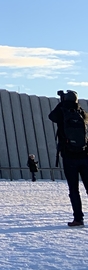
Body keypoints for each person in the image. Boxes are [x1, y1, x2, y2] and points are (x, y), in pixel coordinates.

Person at [48, 90, 88, 226]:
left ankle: (78, 218)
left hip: (69, 156)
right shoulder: (81, 112)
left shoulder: (62, 111)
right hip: (84, 155)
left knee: (74, 190)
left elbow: (51, 117)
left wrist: (61, 104)